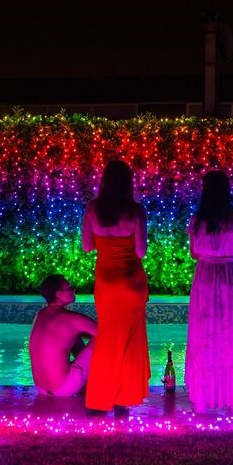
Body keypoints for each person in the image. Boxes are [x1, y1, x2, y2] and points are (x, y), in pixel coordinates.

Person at [81, 158, 150, 413]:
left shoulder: (93, 208)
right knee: (130, 342)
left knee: (107, 340)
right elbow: (141, 251)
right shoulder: (136, 211)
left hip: (107, 285)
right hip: (132, 284)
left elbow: (87, 246)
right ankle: (123, 401)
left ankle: (99, 402)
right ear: (128, 183)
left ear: (105, 181)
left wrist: (105, 242)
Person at [185, 170, 233, 414]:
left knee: (203, 337)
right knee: (232, 338)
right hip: (232, 278)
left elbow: (194, 254)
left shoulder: (197, 221)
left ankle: (202, 402)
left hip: (205, 278)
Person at [28, 274, 97, 397]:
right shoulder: (73, 319)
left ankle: (84, 384)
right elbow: (107, 334)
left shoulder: (40, 314)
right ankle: (102, 385)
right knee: (101, 338)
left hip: (41, 389)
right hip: (64, 388)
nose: (73, 289)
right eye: (69, 287)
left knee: (75, 335)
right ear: (59, 294)